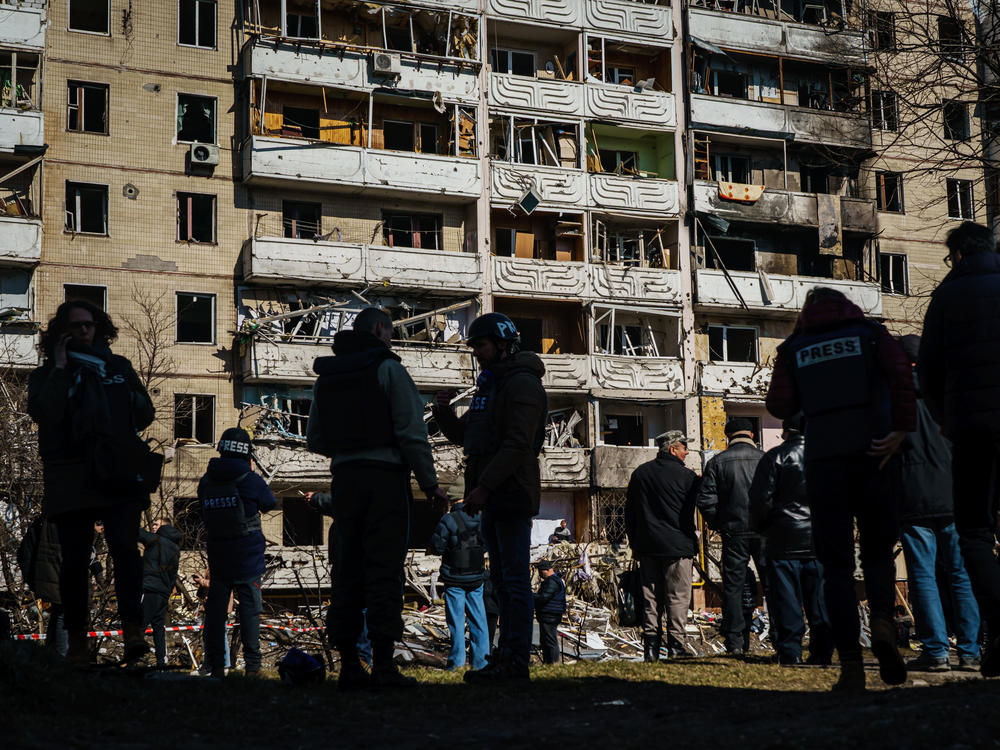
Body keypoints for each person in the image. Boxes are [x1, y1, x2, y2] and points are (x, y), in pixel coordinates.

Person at [767, 286, 916, 691]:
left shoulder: (795, 347)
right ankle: (884, 622)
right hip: (875, 453)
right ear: (848, 306)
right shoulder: (871, 335)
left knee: (835, 566)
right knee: (878, 552)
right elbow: (904, 375)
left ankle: (850, 663)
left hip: (824, 459)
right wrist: (902, 429)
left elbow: (779, 405)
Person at [307, 307, 448, 690]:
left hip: (345, 482)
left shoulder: (328, 376)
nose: (392, 338)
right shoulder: (389, 369)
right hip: (386, 482)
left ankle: (350, 665)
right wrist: (431, 483)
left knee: (347, 572)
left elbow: (315, 439)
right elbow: (412, 434)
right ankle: (384, 666)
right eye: (390, 331)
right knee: (384, 571)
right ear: (379, 330)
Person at [27, 300, 156, 665]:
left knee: (126, 552)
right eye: (76, 326)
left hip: (117, 473)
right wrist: (63, 369)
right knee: (75, 561)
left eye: (89, 325)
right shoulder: (48, 373)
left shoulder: (116, 366)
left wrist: (125, 395)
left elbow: (145, 413)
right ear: (61, 333)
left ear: (99, 328)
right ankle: (79, 645)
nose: (85, 331)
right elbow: (44, 412)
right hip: (71, 475)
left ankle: (134, 634)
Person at [433, 312, 548, 682]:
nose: (477, 354)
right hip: (491, 498)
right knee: (499, 582)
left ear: (502, 344)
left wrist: (485, 487)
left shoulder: (523, 385)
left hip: (511, 495)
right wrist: (443, 413)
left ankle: (517, 661)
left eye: (480, 346)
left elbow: (517, 446)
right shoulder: (492, 385)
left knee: (514, 581)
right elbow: (471, 437)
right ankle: (503, 657)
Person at [918, 221, 1000, 678]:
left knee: (974, 532)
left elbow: (927, 373)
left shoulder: (947, 298)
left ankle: (998, 622)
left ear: (959, 255)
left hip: (972, 430)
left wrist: (946, 419)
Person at [893, 335, 981, 672]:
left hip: (913, 498)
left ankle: (936, 651)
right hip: (955, 496)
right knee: (962, 575)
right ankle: (971, 652)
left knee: (923, 576)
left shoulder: (892, 402)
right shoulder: (950, 397)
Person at [749, 415, 833, 666]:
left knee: (786, 600)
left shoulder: (775, 457)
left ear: (787, 430)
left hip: (783, 538)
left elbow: (760, 500)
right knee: (819, 600)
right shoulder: (825, 457)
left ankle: (790, 651)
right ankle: (822, 650)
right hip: (819, 538)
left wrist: (764, 528)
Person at [198, 427, 276, 677]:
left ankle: (216, 666)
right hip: (248, 555)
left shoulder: (206, 481)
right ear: (247, 454)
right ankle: (253, 667)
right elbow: (270, 503)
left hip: (218, 553)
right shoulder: (250, 480)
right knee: (250, 610)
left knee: (216, 610)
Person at [625, 430, 700, 662]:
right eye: (683, 447)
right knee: (677, 597)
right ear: (672, 449)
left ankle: (651, 649)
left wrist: (635, 542)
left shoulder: (640, 474)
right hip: (679, 547)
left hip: (647, 547)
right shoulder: (688, 477)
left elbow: (630, 514)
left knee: (651, 598)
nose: (687, 452)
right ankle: (676, 646)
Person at [696, 418, 766, 655]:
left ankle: (735, 642)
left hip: (733, 532)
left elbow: (706, 501)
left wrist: (720, 523)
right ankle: (783, 639)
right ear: (752, 435)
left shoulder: (718, 462)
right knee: (774, 584)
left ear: (728, 437)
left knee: (734, 587)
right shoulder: (765, 459)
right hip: (765, 530)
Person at [429, 500, 489, 671]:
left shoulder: (448, 519)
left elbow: (437, 547)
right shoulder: (481, 518)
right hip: (476, 578)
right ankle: (482, 662)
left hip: (454, 578)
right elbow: (488, 543)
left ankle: (456, 663)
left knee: (456, 622)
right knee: (479, 621)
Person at [139, 518, 182, 667]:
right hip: (163, 594)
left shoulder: (155, 540)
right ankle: (161, 663)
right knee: (158, 630)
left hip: (150, 590)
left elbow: (137, 533)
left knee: (139, 626)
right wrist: (167, 592)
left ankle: (129, 662)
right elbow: (173, 576)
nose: (153, 527)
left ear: (163, 528)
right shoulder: (176, 550)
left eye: (156, 524)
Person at [533, 560, 566, 664]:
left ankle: (553, 663)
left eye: (540, 572)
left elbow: (544, 597)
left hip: (550, 615)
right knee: (545, 641)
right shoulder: (554, 580)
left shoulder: (552, 581)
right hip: (549, 615)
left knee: (550, 641)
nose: (540, 575)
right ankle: (548, 663)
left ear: (546, 571)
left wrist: (530, 596)